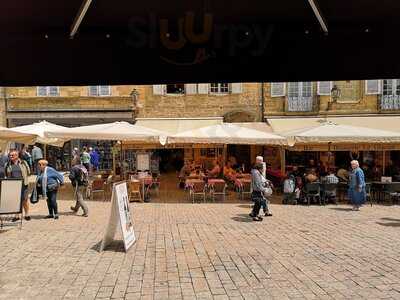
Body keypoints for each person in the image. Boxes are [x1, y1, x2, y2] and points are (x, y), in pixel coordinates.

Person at [5, 150, 31, 221]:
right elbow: (6, 174)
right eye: (10, 155)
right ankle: (16, 216)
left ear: (17, 156)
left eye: (12, 155)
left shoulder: (23, 163)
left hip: (23, 184)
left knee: (25, 200)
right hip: (13, 185)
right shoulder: (7, 164)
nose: (10, 157)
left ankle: (27, 214)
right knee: (16, 201)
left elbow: (28, 172)